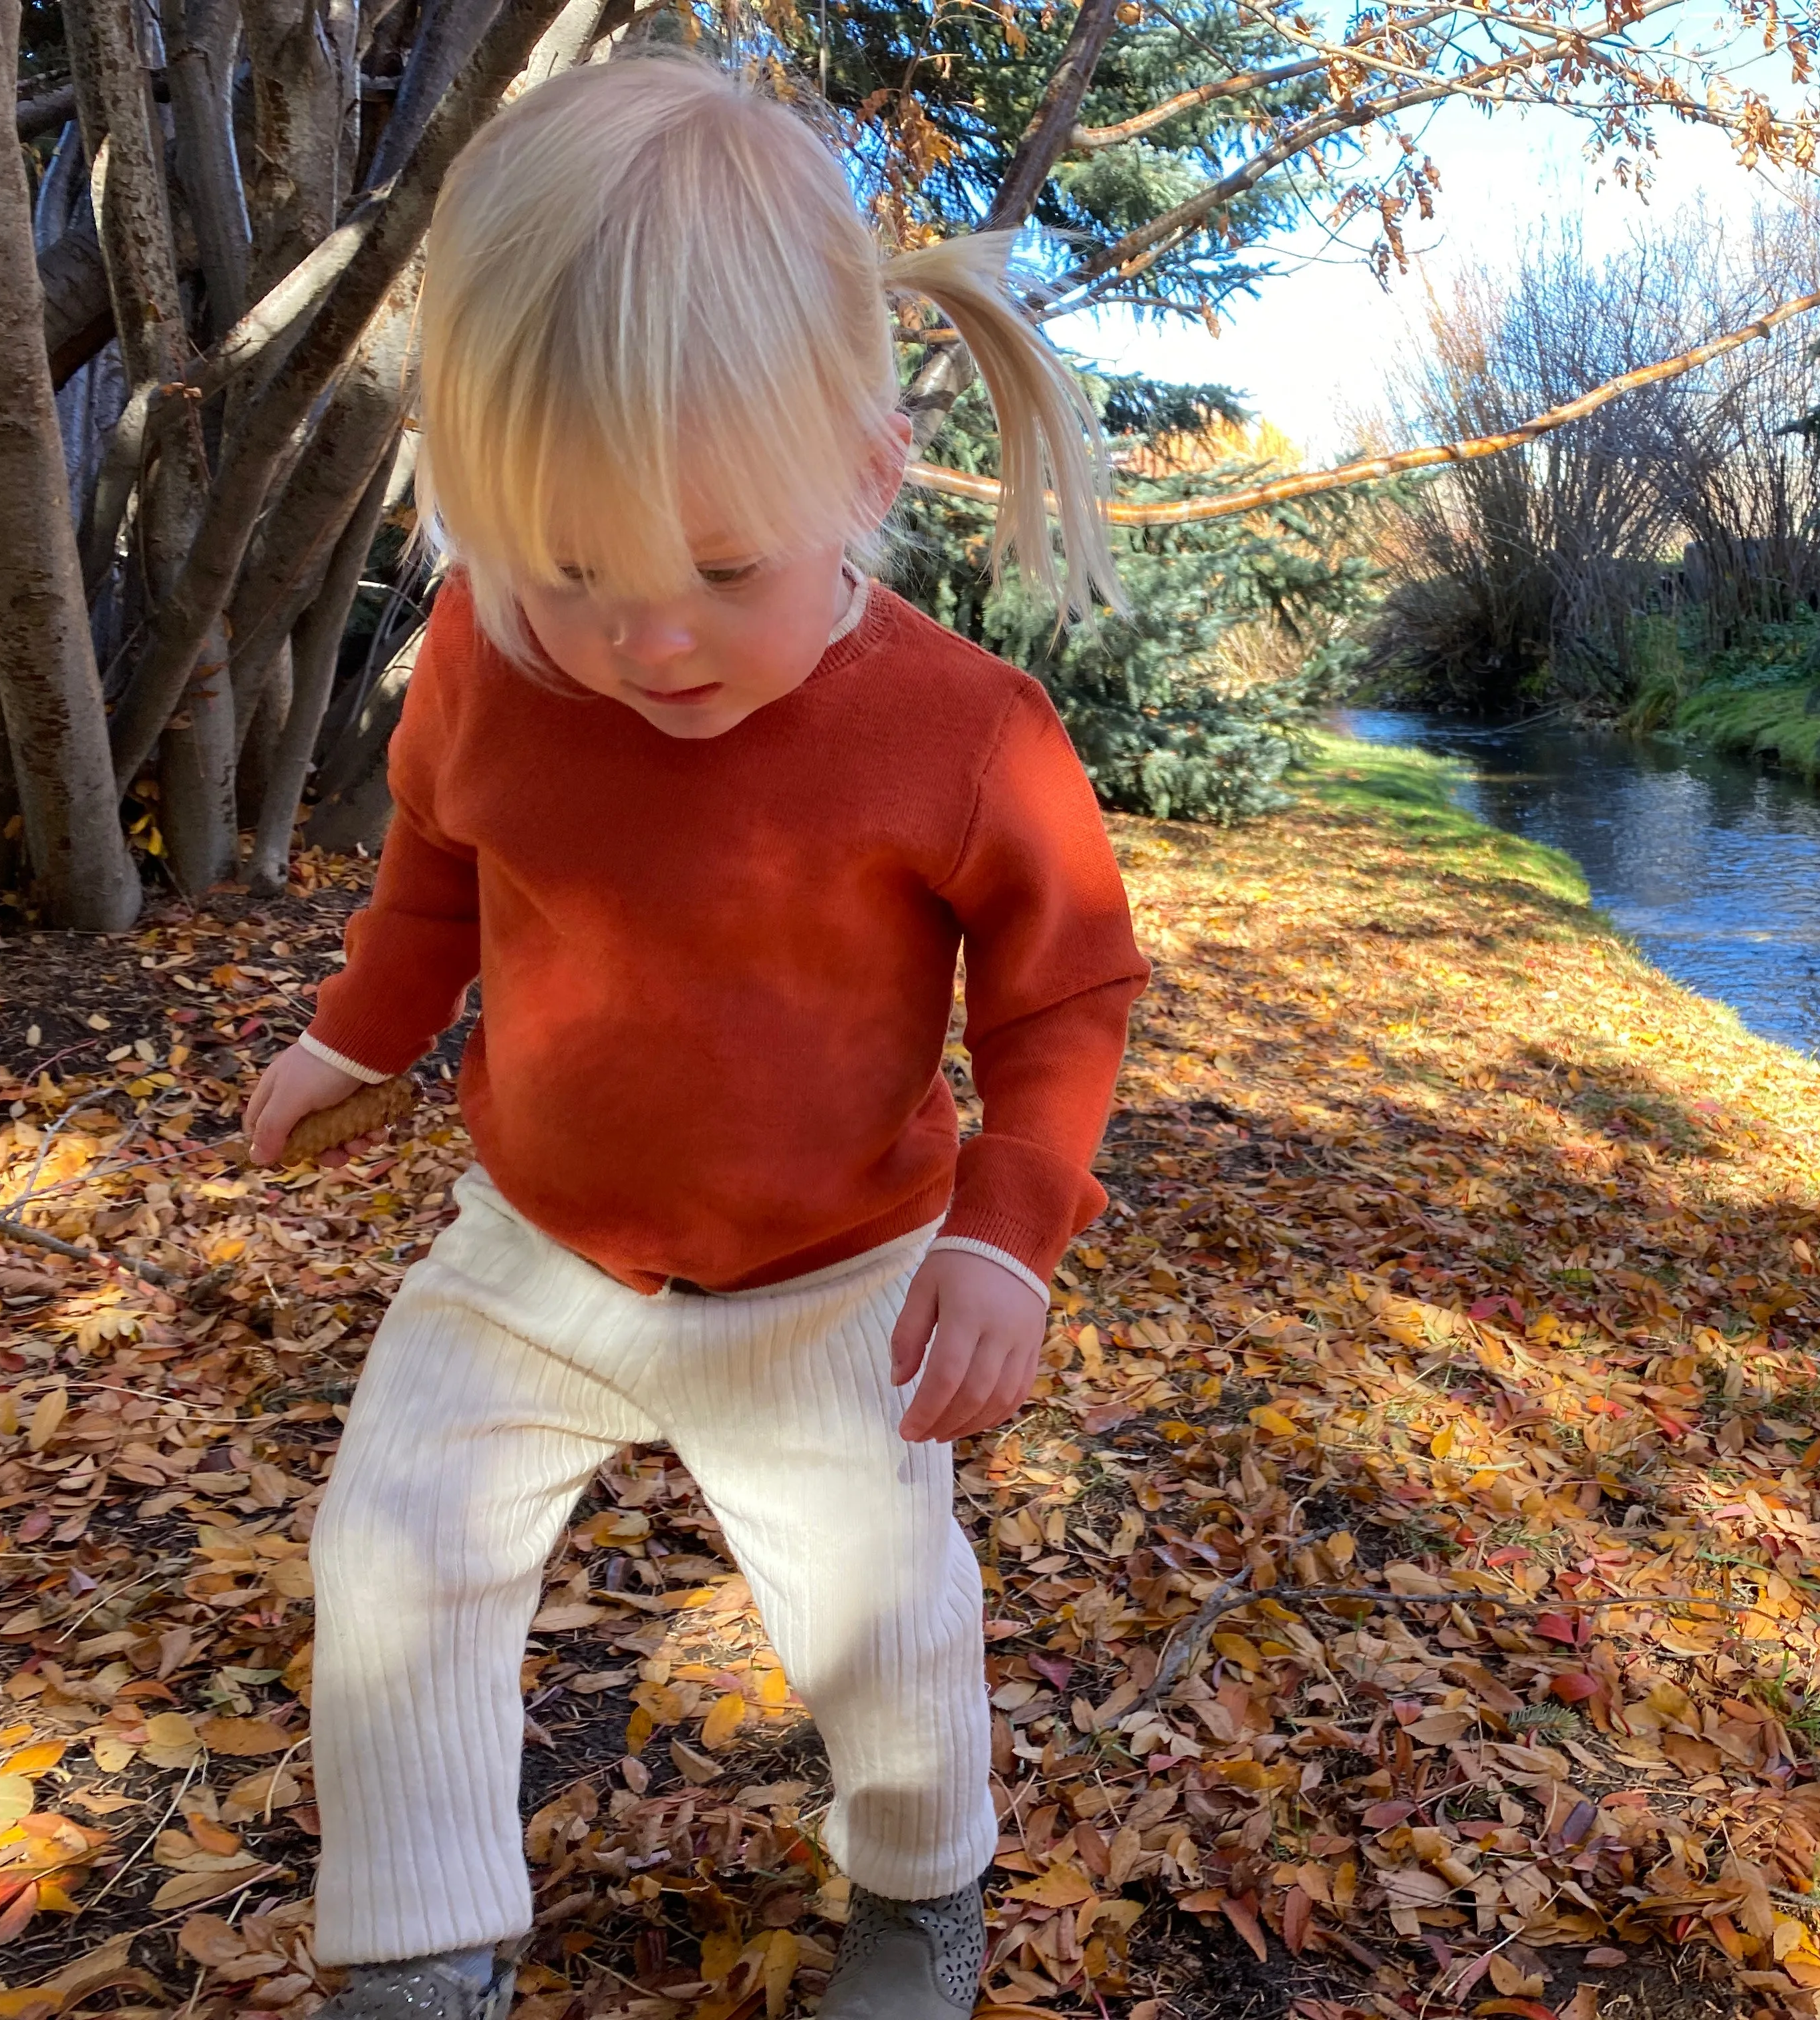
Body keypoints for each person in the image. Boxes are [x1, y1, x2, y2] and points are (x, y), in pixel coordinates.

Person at [241, 49, 1149, 2020]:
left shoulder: (968, 735)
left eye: (723, 573)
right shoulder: (487, 662)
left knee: (881, 1615)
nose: (647, 642)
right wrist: (358, 1044)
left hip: (840, 1272)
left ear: (866, 471)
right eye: (569, 572)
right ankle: (414, 1951)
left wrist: (1008, 1232)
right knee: (394, 1550)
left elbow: (1069, 985)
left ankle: (917, 1905)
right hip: (534, 1256)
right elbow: (432, 869)